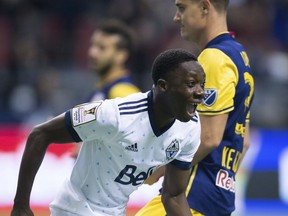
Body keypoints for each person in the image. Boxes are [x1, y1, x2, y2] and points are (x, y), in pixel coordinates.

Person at [11, 48, 206, 216]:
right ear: (163, 86)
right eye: (191, 84)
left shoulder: (189, 129)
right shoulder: (113, 114)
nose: (200, 92)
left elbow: (173, 195)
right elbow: (40, 134)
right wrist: (20, 205)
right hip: (75, 209)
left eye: (202, 84)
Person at [136, 0, 254, 215]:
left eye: (181, 8)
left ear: (204, 7)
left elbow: (209, 138)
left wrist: (158, 170)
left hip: (191, 195)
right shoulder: (239, 56)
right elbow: (244, 142)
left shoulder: (213, 58)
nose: (176, 17)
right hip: (218, 197)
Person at [71, 19, 140, 158]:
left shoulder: (123, 92)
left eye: (102, 48)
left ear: (121, 56)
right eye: (93, 45)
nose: (92, 52)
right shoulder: (100, 90)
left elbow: (135, 146)